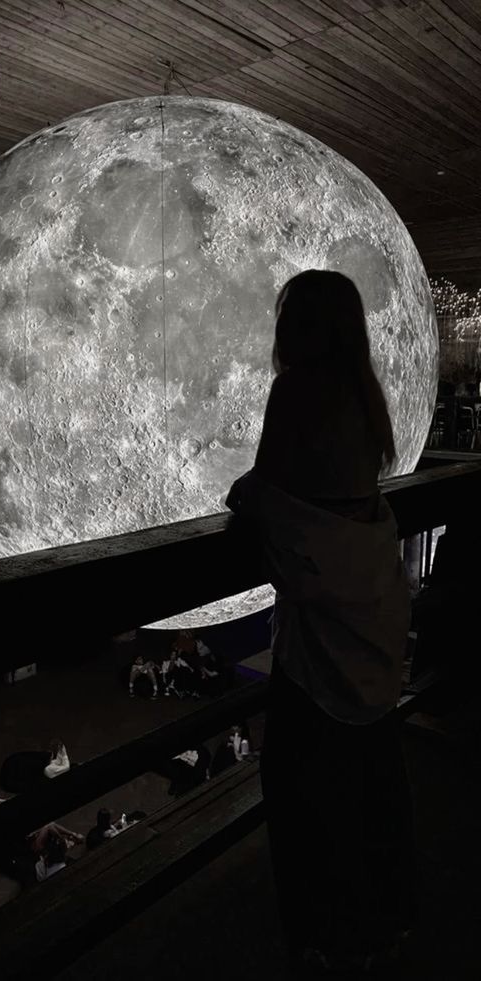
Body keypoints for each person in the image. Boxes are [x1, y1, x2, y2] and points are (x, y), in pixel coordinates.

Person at [226, 270, 416, 973]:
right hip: (372, 604)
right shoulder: (368, 401)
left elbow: (268, 491)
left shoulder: (296, 392)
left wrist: (244, 495)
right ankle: (379, 923)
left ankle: (324, 938)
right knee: (368, 779)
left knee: (304, 789)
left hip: (319, 628)